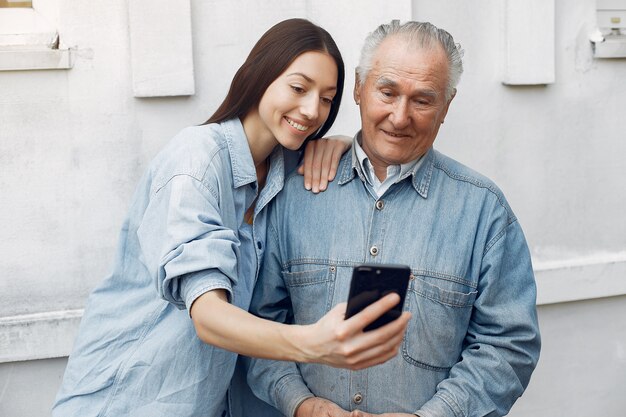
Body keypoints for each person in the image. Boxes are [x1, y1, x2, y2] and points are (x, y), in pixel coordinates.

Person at [51, 18, 411, 417]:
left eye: (327, 99)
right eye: (298, 88)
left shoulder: (285, 168)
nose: (312, 110)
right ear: (259, 76)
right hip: (122, 399)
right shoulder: (197, 161)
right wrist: (313, 343)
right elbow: (207, 314)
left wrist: (345, 142)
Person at [247, 20, 541, 417]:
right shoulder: (293, 195)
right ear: (358, 89)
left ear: (446, 106)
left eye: (422, 100)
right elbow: (262, 320)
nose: (400, 117)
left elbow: (508, 346)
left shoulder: (484, 211)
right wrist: (300, 403)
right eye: (387, 92)